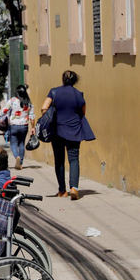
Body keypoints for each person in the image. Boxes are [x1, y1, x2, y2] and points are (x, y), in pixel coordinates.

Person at [40, 70, 95, 200]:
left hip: (57, 130)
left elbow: (44, 108)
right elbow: (83, 112)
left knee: (59, 161)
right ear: (75, 80)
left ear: (63, 79)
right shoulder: (78, 94)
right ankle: (74, 188)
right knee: (74, 159)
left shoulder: (54, 92)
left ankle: (62, 191)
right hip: (74, 130)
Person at [0, 85, 35, 170]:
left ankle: (17, 157)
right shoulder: (28, 102)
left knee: (13, 144)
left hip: (14, 125)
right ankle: (21, 163)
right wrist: (33, 127)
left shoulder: (12, 100)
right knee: (21, 143)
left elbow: (4, 111)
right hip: (24, 126)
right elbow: (32, 117)